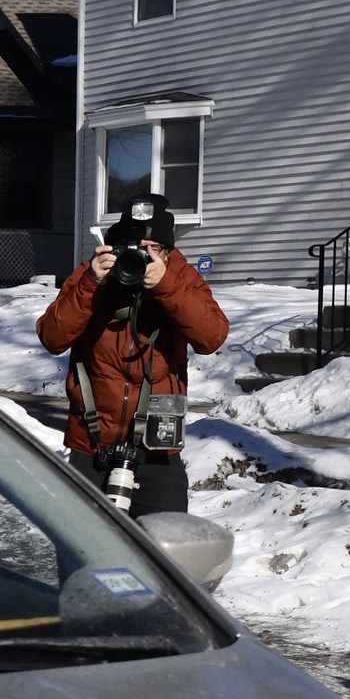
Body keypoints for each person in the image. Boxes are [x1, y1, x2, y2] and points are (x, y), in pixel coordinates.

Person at [36, 194, 228, 515]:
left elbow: (212, 337)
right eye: (134, 247)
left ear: (167, 251)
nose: (142, 257)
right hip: (91, 444)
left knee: (164, 546)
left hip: (157, 448)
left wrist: (166, 284)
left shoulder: (181, 278)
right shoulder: (92, 274)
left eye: (153, 248)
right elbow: (52, 337)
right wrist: (91, 283)